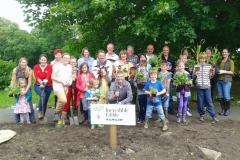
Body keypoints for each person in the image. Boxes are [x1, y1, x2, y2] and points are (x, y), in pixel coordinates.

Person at [193, 53, 219, 122]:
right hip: (199, 87)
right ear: (199, 59)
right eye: (201, 58)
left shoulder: (209, 66)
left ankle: (213, 116)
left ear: (206, 59)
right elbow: (194, 76)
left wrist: (212, 73)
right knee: (200, 102)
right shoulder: (196, 66)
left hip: (207, 86)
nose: (202, 60)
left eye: (204, 58)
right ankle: (201, 115)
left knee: (209, 102)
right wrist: (195, 74)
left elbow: (210, 77)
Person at [10, 57, 35, 123]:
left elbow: (29, 82)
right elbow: (13, 80)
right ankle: (17, 120)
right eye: (22, 62)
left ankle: (31, 118)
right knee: (18, 104)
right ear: (19, 63)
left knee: (29, 104)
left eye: (25, 62)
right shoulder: (15, 69)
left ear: (27, 63)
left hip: (27, 88)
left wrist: (26, 91)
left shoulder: (29, 70)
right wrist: (13, 90)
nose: (23, 63)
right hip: (18, 88)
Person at [51, 53, 72, 128]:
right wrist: (61, 81)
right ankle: (56, 113)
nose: (66, 59)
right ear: (62, 58)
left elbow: (70, 77)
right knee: (63, 100)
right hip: (58, 86)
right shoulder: (57, 65)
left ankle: (60, 122)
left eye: (68, 58)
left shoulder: (70, 66)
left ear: (69, 60)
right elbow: (52, 77)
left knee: (62, 104)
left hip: (66, 87)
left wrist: (70, 82)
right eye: (65, 58)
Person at [215, 48, 234, 116]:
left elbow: (232, 72)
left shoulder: (230, 61)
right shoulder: (219, 60)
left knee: (226, 96)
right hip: (219, 81)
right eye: (223, 52)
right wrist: (217, 70)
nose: (224, 53)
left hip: (227, 81)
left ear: (228, 53)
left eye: (225, 52)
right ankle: (223, 110)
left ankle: (227, 110)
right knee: (220, 96)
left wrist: (224, 71)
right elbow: (216, 66)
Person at [33, 54, 52, 120]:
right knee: (42, 95)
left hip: (48, 86)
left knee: (45, 100)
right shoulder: (36, 67)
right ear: (39, 60)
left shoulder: (49, 66)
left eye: (44, 60)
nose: (43, 61)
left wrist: (44, 82)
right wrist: (41, 82)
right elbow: (36, 76)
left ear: (46, 60)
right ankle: (40, 112)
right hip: (38, 85)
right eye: (42, 60)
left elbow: (48, 75)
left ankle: (43, 114)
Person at [63, 56, 79, 121]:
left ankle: (75, 115)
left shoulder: (78, 70)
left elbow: (81, 78)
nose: (73, 63)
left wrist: (76, 77)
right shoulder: (66, 68)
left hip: (76, 87)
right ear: (69, 62)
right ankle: (66, 116)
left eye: (74, 62)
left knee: (75, 101)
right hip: (68, 86)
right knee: (67, 102)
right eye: (72, 62)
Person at [161, 45, 176, 114]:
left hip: (169, 78)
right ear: (162, 51)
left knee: (169, 93)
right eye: (164, 50)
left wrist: (170, 70)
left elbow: (174, 68)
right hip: (162, 78)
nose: (165, 51)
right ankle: (162, 109)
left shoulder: (172, 58)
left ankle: (170, 108)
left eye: (166, 50)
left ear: (168, 51)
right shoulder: (160, 58)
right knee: (162, 93)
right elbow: (158, 68)